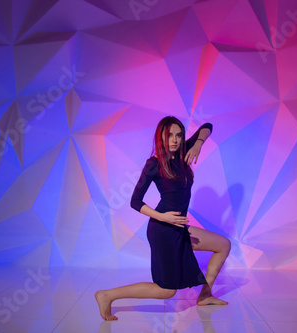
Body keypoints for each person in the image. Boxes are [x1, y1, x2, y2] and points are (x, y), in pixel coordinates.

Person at [95, 116, 231, 321]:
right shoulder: (154, 164)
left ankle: (205, 296)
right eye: (169, 136)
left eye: (178, 135)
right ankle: (107, 295)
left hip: (180, 228)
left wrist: (198, 145)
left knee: (223, 244)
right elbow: (135, 201)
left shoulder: (184, 151)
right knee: (166, 291)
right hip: (163, 231)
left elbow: (207, 127)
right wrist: (163, 217)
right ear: (161, 137)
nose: (175, 140)